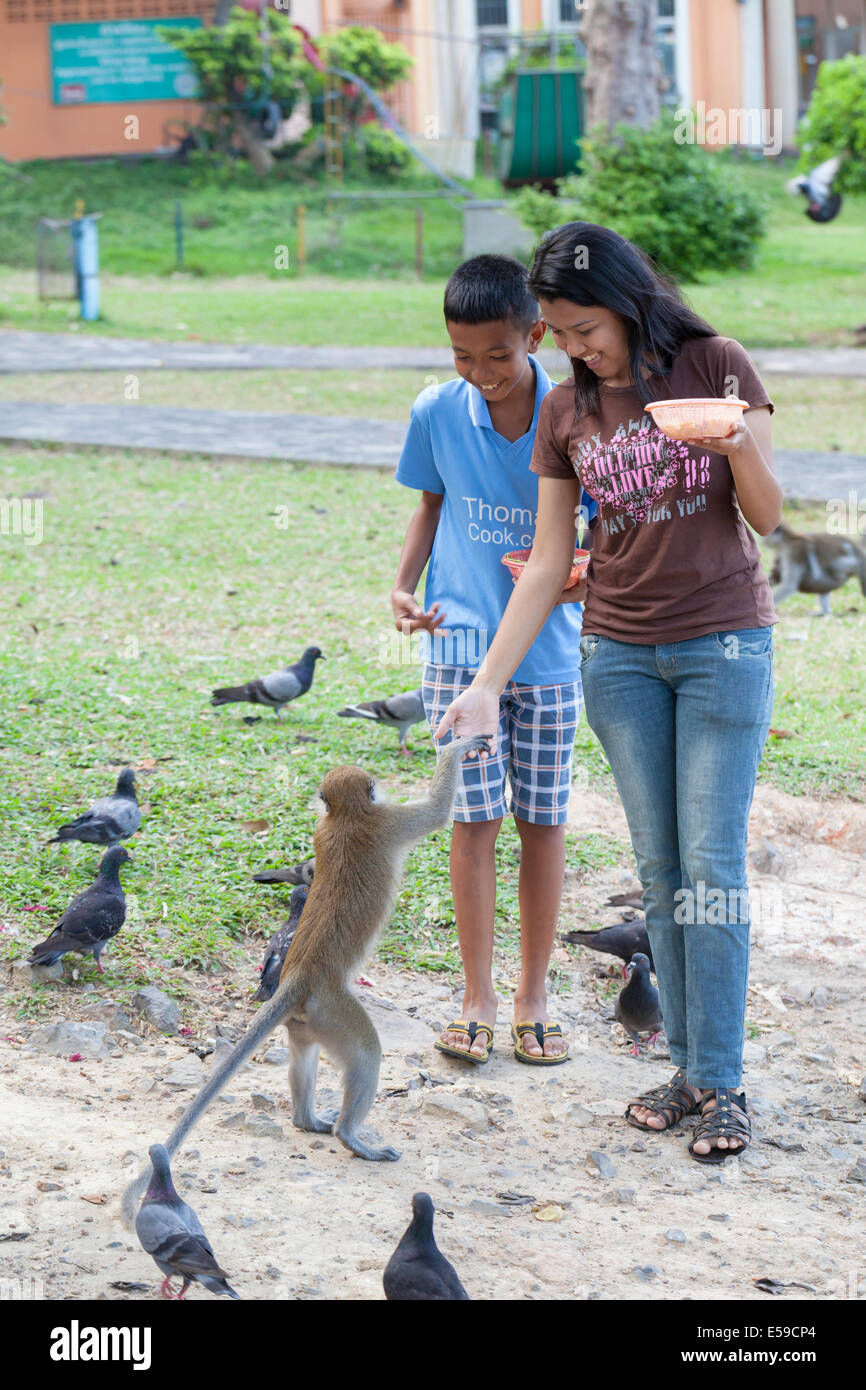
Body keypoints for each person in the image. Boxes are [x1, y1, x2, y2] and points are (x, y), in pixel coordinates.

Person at [435, 224, 782, 1160]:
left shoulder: (713, 362)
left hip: (722, 645)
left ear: (627, 301)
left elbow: (767, 514)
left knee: (711, 865)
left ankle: (723, 1081)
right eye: (558, 332)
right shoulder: (567, 415)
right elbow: (548, 564)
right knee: (662, 872)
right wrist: (483, 686)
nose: (574, 349)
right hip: (620, 658)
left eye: (584, 328)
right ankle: (688, 1071)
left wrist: (735, 434)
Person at [391, 253, 597, 1066]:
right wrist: (402, 587)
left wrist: (584, 574)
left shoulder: (577, 415)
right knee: (471, 823)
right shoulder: (437, 411)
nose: (480, 374)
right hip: (456, 654)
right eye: (461, 357)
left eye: (497, 356)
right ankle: (475, 997)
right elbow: (428, 507)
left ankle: (532, 997)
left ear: (535, 336)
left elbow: (602, 529)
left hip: (547, 658)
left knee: (541, 824)